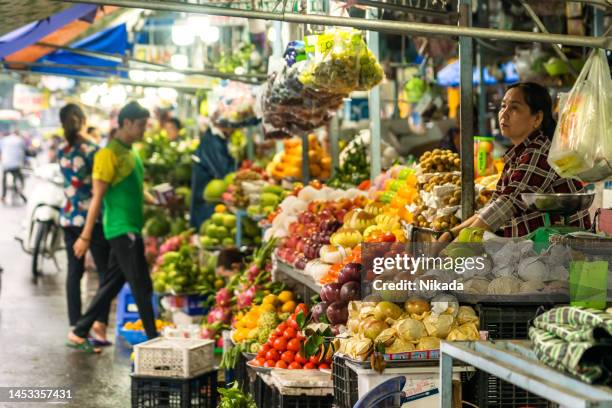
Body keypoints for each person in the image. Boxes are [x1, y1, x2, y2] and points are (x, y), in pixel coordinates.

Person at [438, 82, 591, 242]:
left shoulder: (539, 153)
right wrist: (450, 234)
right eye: (503, 106)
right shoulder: (518, 155)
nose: (504, 114)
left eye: (514, 108)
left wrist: (454, 248)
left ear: (537, 118)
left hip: (564, 254)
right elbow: (493, 205)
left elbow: (507, 204)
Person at [68, 101, 157, 353]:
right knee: (141, 284)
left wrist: (160, 201)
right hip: (120, 228)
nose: (143, 130)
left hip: (131, 227)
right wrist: (85, 237)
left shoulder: (131, 152)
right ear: (126, 123)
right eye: (140, 125)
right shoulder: (108, 154)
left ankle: (80, 329)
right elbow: (97, 197)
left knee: (112, 283)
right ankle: (154, 341)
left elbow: (136, 189)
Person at [57, 104, 112, 345]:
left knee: (74, 272)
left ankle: (75, 325)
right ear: (82, 120)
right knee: (104, 273)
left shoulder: (62, 150)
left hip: (68, 217)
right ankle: (98, 326)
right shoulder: (94, 150)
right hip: (92, 219)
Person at [190, 114, 235, 229]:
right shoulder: (213, 142)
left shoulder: (214, 138)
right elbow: (223, 172)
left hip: (205, 194)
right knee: (206, 224)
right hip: (206, 198)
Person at [0, 131, 27, 203]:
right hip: (16, 165)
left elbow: (1, 151)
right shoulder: (20, 140)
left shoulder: (4, 140)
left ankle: (3, 196)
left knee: (4, 180)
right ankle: (21, 191)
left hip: (6, 164)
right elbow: (24, 150)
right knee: (20, 178)